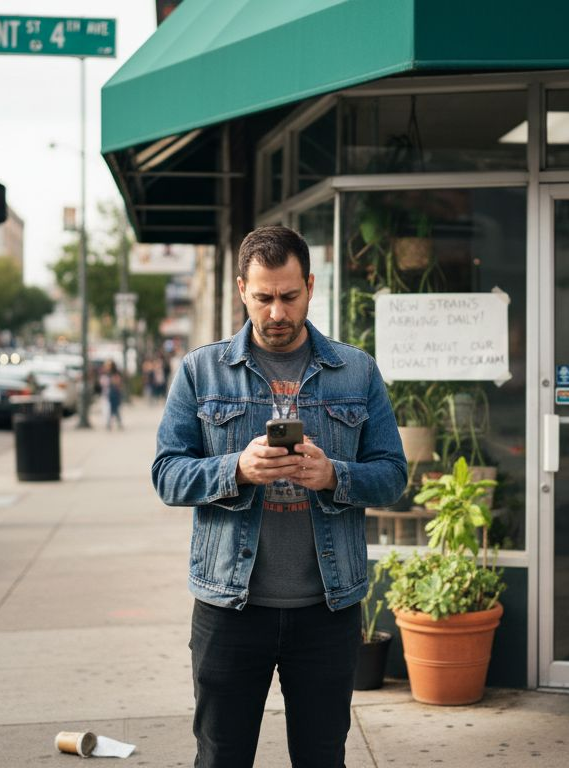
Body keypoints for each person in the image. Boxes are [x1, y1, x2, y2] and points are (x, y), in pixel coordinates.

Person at [152, 225, 407, 768]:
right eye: (263, 297)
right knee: (221, 757)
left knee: (321, 757)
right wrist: (236, 469)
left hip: (327, 609)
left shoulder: (356, 371)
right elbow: (167, 475)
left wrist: (335, 475)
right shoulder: (202, 370)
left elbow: (393, 475)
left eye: (289, 296)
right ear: (242, 288)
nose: (276, 313)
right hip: (229, 606)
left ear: (311, 287)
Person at [100, 359, 123, 430]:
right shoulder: (105, 373)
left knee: (115, 409)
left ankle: (116, 423)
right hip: (107, 393)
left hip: (114, 393)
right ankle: (109, 424)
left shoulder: (115, 374)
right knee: (109, 409)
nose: (107, 367)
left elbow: (118, 383)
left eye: (108, 365)